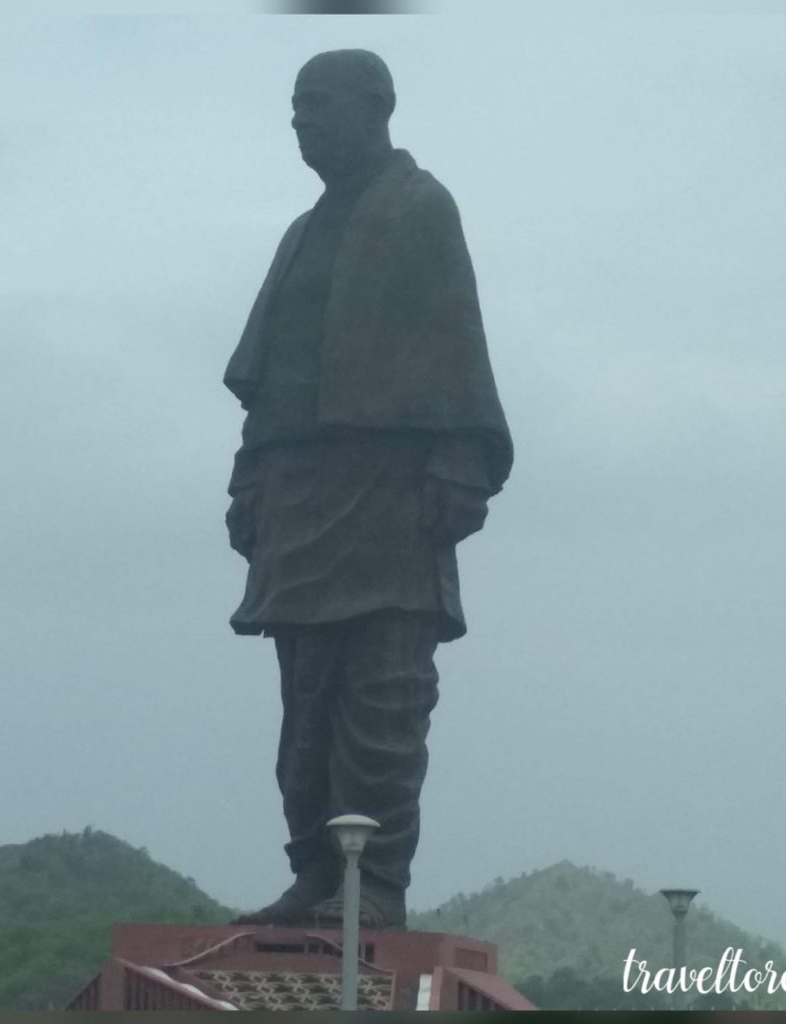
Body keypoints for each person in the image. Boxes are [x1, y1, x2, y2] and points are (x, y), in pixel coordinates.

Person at [223, 48, 512, 928]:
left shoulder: (420, 208)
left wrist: (458, 464)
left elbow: (457, 348)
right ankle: (316, 871)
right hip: (300, 499)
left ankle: (374, 883)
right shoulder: (301, 232)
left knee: (383, 701)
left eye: (320, 104)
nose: (303, 122)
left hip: (389, 494)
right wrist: (249, 480)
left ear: (377, 106)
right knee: (305, 709)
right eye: (295, 108)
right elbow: (269, 380)